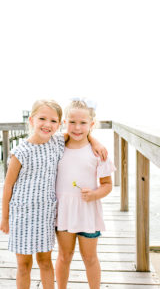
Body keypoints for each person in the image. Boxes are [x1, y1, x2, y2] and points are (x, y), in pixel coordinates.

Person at [0, 99, 107, 289]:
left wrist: (95, 140)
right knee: (23, 265)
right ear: (32, 120)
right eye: (42, 118)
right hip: (21, 216)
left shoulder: (57, 142)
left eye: (53, 121)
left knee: (45, 262)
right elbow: (8, 186)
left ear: (59, 124)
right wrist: (5, 218)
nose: (47, 124)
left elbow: (79, 134)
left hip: (46, 215)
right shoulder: (20, 152)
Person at [55, 99, 116, 289]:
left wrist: (95, 194)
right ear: (64, 122)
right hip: (63, 213)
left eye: (83, 123)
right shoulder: (57, 146)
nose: (77, 127)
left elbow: (107, 185)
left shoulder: (98, 153)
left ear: (91, 124)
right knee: (64, 257)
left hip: (88, 212)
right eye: (72, 122)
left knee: (90, 258)